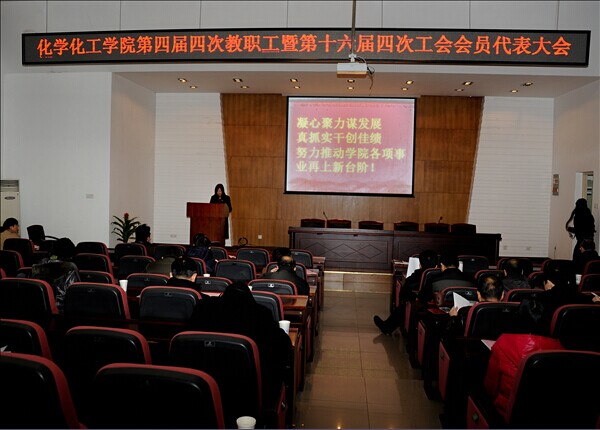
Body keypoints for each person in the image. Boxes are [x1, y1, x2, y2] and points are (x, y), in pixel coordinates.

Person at [190, 281, 292, 405]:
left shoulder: (203, 308)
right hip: (247, 389)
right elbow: (283, 345)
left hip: (200, 387)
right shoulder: (260, 313)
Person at [483, 298, 564, 422]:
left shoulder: (503, 343)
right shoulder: (558, 347)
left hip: (505, 413)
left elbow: (490, 388)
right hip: (545, 416)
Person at [373, 249, 438, 334]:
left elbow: (404, 291)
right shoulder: (441, 275)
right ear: (437, 265)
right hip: (436, 306)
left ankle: (387, 327)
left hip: (420, 306)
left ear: (420, 264)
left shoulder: (417, 275)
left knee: (404, 306)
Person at [31, 237, 80, 312]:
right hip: (62, 312)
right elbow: (74, 295)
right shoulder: (70, 268)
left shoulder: (38, 265)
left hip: (37, 310)